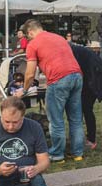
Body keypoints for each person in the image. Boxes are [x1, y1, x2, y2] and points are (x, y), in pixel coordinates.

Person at [21, 19, 85, 162]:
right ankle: (77, 153)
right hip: (77, 76)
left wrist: (24, 90)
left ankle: (57, 154)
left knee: (56, 120)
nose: (28, 39)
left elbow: (30, 73)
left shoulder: (33, 44)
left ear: (30, 32)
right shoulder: (59, 38)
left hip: (58, 79)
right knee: (75, 119)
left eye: (27, 36)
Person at [70, 42, 102, 150]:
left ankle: (90, 139)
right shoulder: (78, 50)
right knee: (85, 109)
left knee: (86, 109)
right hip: (92, 79)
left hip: (92, 81)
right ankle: (85, 138)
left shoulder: (73, 52)